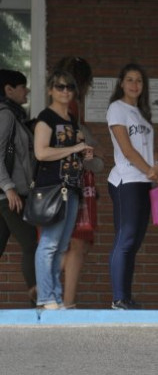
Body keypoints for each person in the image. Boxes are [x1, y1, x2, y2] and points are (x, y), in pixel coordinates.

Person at [106, 63, 158, 310]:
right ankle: (118, 298)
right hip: (126, 181)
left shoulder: (142, 114)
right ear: (121, 83)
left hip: (144, 182)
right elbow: (127, 150)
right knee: (125, 237)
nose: (134, 85)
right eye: (130, 80)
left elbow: (152, 149)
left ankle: (126, 297)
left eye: (139, 81)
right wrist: (155, 175)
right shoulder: (116, 109)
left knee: (134, 242)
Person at [33, 70, 94, 309]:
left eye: (70, 87)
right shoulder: (45, 118)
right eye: (60, 87)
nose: (66, 91)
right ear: (50, 90)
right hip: (52, 189)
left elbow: (72, 153)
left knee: (61, 246)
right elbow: (41, 153)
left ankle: (56, 297)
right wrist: (73, 148)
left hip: (72, 188)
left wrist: (83, 153)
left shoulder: (71, 120)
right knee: (48, 244)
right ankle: (45, 296)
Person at [55, 57, 105, 309]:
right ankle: (67, 300)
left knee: (71, 242)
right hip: (75, 179)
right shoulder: (71, 106)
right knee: (78, 241)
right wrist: (91, 147)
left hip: (59, 179)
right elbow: (78, 140)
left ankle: (46, 285)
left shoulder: (59, 105)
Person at [0, 69, 38, 305]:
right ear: (9, 90)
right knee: (31, 244)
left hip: (6, 194)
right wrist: (9, 188)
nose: (27, 91)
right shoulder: (5, 115)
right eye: (23, 86)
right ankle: (40, 302)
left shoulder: (15, 116)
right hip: (8, 196)